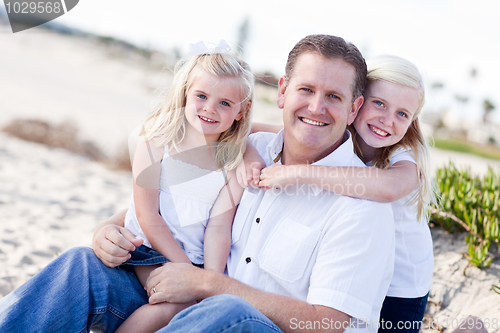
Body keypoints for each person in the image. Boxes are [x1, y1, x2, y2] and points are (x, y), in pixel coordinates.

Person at [0, 34, 395, 333]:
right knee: (81, 265)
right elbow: (162, 201)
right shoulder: (241, 148)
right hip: (187, 300)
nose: (315, 107)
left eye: (333, 97)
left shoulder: (360, 205)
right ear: (283, 92)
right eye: (306, 90)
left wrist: (208, 284)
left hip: (245, 323)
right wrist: (107, 230)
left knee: (225, 310)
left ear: (354, 107)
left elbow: (328, 324)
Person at [244, 55, 436, 332]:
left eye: (402, 114)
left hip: (401, 285)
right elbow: (252, 130)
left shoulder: (404, 155)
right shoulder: (340, 132)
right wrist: (251, 156)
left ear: (412, 121)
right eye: (379, 103)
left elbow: (387, 188)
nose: (387, 120)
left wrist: (300, 172)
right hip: (361, 270)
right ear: (356, 104)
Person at [114, 42, 254, 333]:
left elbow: (218, 227)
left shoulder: (230, 161)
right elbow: (147, 215)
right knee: (172, 308)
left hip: (197, 261)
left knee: (201, 307)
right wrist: (186, 273)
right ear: (185, 94)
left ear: (242, 111)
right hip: (149, 250)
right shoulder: (155, 141)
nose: (210, 108)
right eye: (201, 96)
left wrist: (209, 282)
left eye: (225, 103)